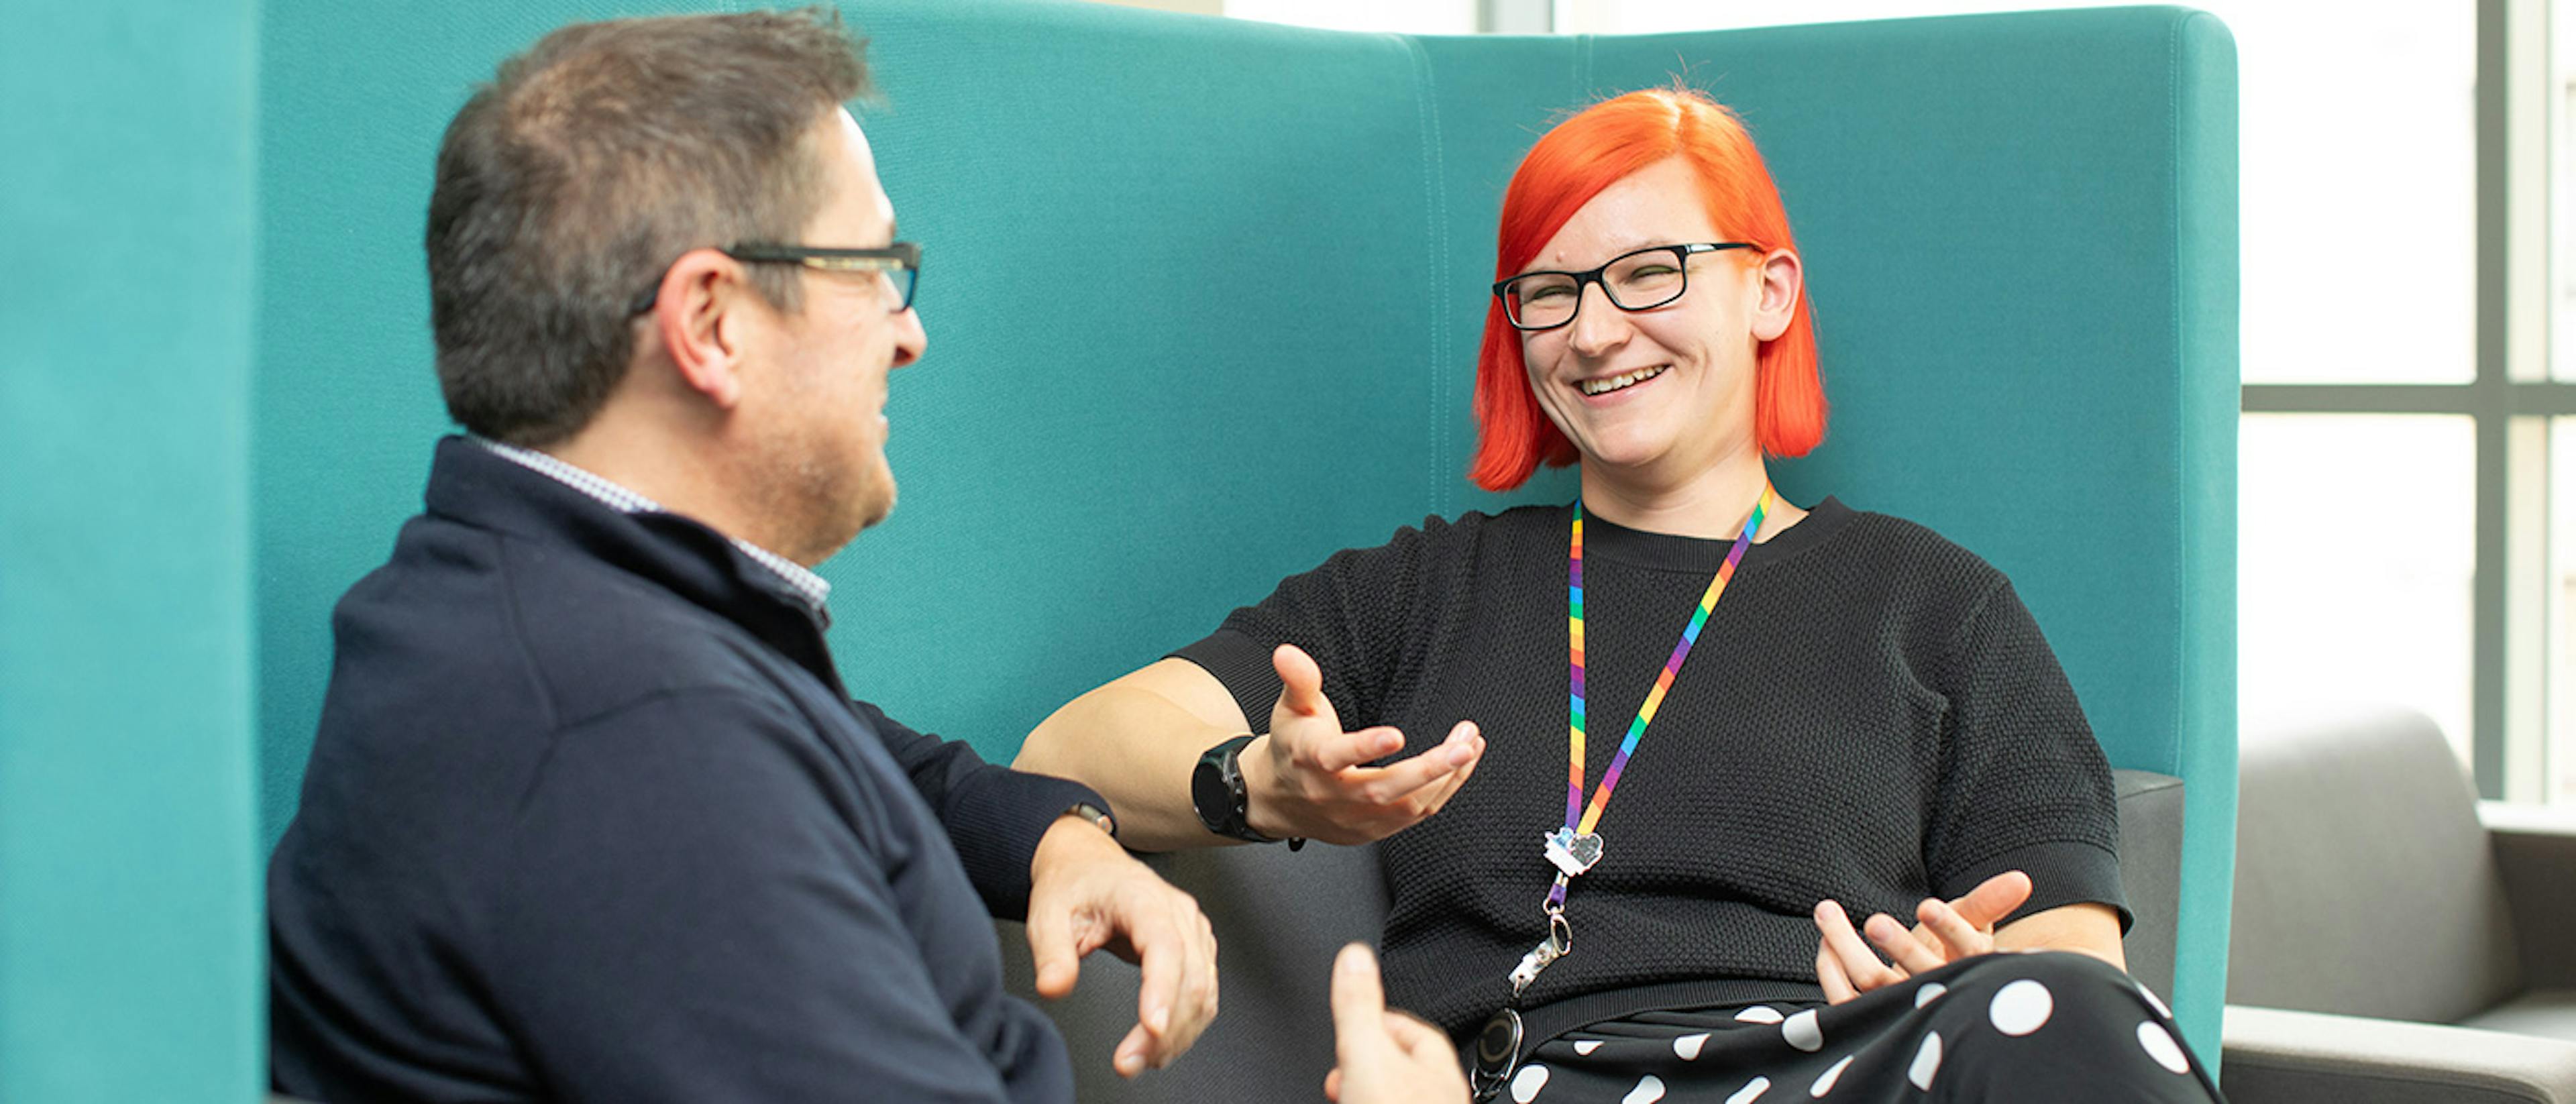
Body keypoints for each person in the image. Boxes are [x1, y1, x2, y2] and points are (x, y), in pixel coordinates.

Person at [1015, 87, 2227, 1102]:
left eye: (1650, 273)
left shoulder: (1938, 608)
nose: (1594, 332)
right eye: (1550, 292)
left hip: (1835, 1070)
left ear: (1770, 293)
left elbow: (2072, 970)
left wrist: (1945, 988)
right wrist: (1255, 782)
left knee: (2052, 1012)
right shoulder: (1431, 584)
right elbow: (1065, 745)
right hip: (1507, 1077)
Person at [263, 12, 1226, 1102]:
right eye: (875, 269)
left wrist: (1055, 835)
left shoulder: (519, 599)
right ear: (712, 322)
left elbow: (828, 747)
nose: (908, 334)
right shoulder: (635, 742)